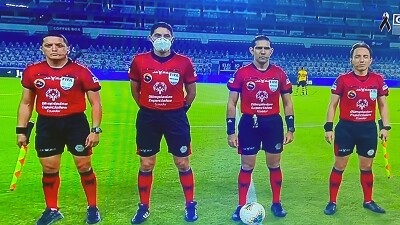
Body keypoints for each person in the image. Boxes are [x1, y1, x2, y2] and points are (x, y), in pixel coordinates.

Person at [16, 32, 102, 225]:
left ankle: (93, 207)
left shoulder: (81, 71)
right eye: (49, 45)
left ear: (67, 48)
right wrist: (21, 130)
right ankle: (52, 209)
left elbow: (95, 103)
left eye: (59, 45)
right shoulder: (32, 71)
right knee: (49, 168)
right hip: (47, 125)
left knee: (84, 166)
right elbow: (26, 103)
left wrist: (95, 130)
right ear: (42, 49)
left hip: (76, 125)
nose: (54, 49)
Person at [128, 22, 198, 224]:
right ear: (150, 38)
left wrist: (180, 109)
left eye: (166, 35)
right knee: (146, 163)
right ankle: (143, 206)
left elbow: (191, 92)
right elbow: (135, 89)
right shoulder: (139, 61)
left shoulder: (184, 62)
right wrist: (147, 106)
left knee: (182, 162)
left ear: (172, 39)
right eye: (158, 35)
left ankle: (190, 204)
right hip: (148, 117)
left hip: (176, 117)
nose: (162, 38)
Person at [226, 35, 295, 220]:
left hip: (273, 124)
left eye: (266, 48)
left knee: (274, 164)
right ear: (252, 50)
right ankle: (241, 205)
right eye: (259, 48)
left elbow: (287, 102)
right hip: (249, 123)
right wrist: (231, 131)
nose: (262, 51)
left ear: (271, 51)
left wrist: (291, 128)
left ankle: (276, 203)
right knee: (247, 165)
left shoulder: (279, 73)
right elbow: (232, 103)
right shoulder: (242, 73)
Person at [323, 42, 390, 215]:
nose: (361, 60)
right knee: (339, 165)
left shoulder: (377, 80)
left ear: (371, 60)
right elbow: (332, 105)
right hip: (346, 129)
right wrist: (328, 128)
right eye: (358, 56)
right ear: (351, 59)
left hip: (368, 129)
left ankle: (368, 200)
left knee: (366, 167)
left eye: (365, 56)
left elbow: (382, 105)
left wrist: (385, 126)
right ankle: (332, 201)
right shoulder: (343, 80)